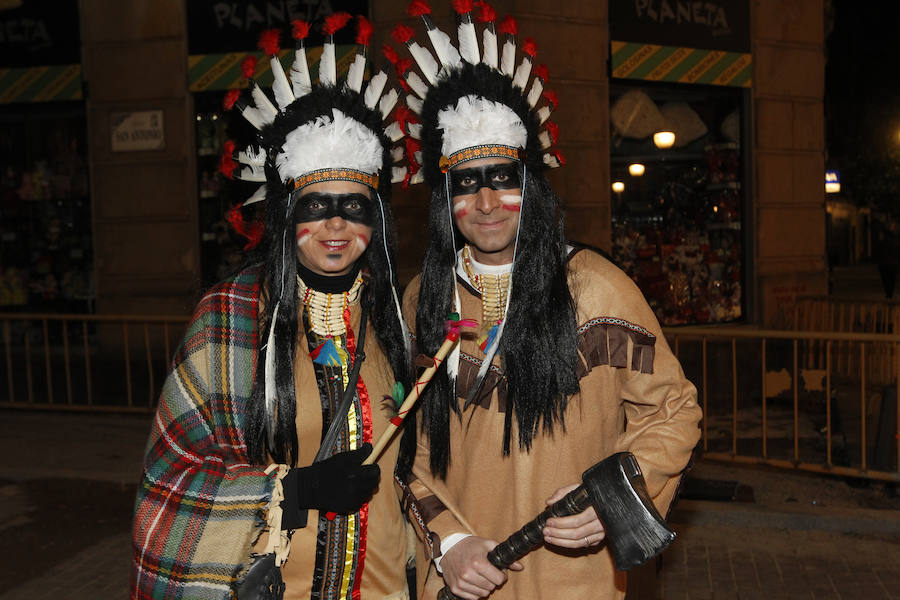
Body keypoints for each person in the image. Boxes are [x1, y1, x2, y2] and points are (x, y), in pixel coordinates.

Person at [388, 3, 703, 599]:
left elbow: (674, 410)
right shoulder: (420, 302)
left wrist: (617, 493)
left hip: (572, 585)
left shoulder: (597, 289)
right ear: (444, 197)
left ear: (530, 184)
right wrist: (450, 545)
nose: (485, 202)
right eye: (466, 182)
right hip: (461, 585)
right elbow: (404, 449)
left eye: (503, 178)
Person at [131, 16, 415, 600]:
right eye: (317, 205)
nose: (336, 224)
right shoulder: (230, 317)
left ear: (375, 222)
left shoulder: (400, 318)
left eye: (354, 207)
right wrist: (295, 490)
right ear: (288, 215)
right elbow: (167, 483)